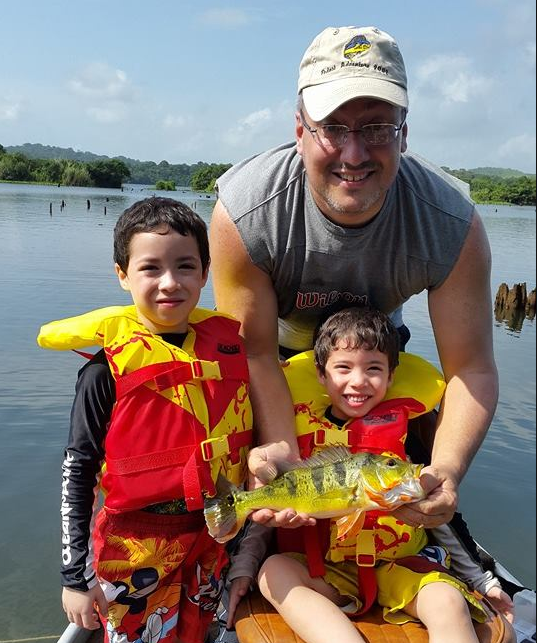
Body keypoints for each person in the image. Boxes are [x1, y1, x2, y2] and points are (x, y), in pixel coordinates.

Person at [209, 25, 498, 531]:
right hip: (273, 356)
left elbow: (471, 369)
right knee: (259, 503)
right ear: (300, 130)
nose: (355, 152)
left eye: (376, 127)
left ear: (404, 132)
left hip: (373, 356)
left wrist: (447, 472)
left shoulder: (451, 224)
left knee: (420, 476)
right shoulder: (247, 214)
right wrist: (278, 444)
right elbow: (251, 351)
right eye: (333, 127)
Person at [225, 307, 513, 643]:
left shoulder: (406, 443)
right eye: (343, 368)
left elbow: (444, 516)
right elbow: (270, 504)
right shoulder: (293, 439)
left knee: (448, 601)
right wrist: (243, 566)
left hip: (399, 567)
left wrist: (483, 581)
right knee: (272, 573)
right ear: (321, 373)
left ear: (391, 376)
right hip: (323, 569)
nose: (358, 381)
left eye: (373, 369)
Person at [37, 197, 253, 643]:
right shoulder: (103, 372)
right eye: (150, 268)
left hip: (211, 535)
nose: (170, 283)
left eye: (186, 266)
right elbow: (77, 473)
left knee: (196, 634)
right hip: (135, 545)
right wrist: (74, 577)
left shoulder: (228, 356)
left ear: (206, 273)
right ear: (122, 275)